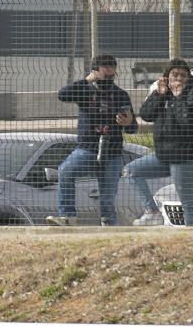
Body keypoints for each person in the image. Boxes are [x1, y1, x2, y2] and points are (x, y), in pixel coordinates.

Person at [46, 55, 137, 227]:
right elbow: (62, 95)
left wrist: (129, 122)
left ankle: (109, 224)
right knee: (65, 170)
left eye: (112, 73)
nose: (109, 77)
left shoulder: (120, 95)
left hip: (112, 151)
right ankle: (67, 216)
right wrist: (87, 81)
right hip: (88, 148)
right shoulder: (85, 90)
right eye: (105, 73)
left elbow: (132, 128)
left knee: (107, 196)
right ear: (95, 71)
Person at [126, 59, 193, 227]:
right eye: (174, 74)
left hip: (186, 157)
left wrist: (179, 97)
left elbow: (185, 120)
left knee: (187, 202)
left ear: (188, 78)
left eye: (182, 75)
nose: (178, 78)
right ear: (167, 76)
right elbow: (146, 115)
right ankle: (152, 212)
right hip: (164, 155)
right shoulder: (161, 92)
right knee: (132, 170)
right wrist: (159, 93)